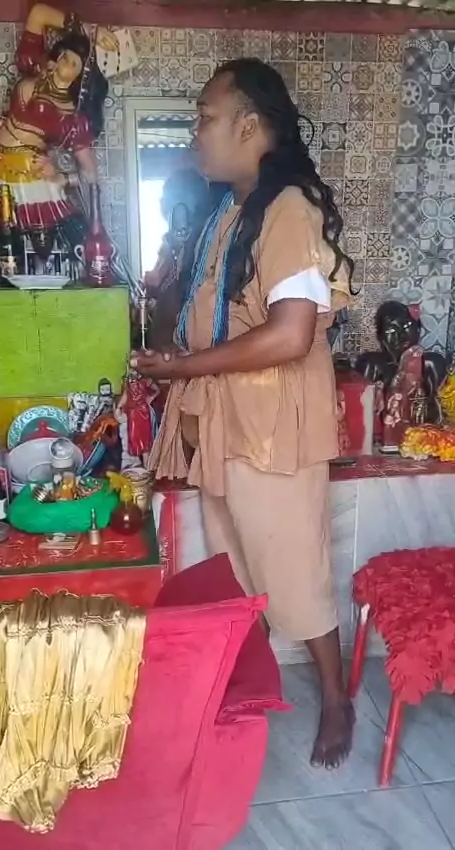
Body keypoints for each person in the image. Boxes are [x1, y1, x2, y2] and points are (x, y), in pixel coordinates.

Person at [131, 58, 355, 768]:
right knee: (236, 563)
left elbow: (290, 336)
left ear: (249, 125)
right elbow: (219, 317)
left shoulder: (289, 209)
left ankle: (337, 698)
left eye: (205, 118)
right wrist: (175, 347)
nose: (194, 134)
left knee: (293, 570)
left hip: (271, 426)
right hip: (225, 419)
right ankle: (251, 677)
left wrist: (181, 368)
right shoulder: (231, 208)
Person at [0, 3, 116, 253]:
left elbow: (91, 176)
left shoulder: (72, 116)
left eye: (72, 62)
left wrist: (60, 177)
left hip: (29, 177)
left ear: (81, 77)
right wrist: (89, 31)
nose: (61, 62)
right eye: (63, 56)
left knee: (24, 249)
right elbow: (38, 13)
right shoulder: (36, 68)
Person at [143, 168, 210, 351]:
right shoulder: (170, 243)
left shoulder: (193, 247)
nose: (161, 202)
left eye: (166, 196)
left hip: (176, 353)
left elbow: (178, 299)